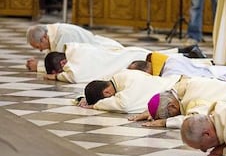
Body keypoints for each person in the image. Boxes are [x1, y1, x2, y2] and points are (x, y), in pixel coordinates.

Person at [42, 42, 188, 83]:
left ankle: (186, 53)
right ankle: (184, 52)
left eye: (61, 71)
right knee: (165, 60)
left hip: (127, 60)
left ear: (62, 63)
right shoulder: (76, 47)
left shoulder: (76, 56)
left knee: (166, 64)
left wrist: (56, 77)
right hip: (125, 55)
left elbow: (76, 76)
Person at [25, 23, 123, 72]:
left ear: (44, 38)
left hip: (105, 53)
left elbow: (66, 66)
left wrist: (39, 67)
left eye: (39, 47)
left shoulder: (63, 35)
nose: (41, 50)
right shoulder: (52, 33)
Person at [80, 69, 181, 113]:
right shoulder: (119, 76)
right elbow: (95, 85)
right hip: (174, 80)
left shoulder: (126, 81)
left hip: (178, 88)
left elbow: (124, 105)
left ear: (107, 93)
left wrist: (96, 105)